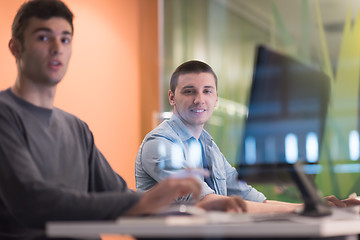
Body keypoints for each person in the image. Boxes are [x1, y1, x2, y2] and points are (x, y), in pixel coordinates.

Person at [0, 1, 247, 240]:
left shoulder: (76, 129)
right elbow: (32, 201)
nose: (57, 48)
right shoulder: (5, 115)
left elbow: (120, 199)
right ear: (16, 48)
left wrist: (190, 215)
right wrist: (144, 201)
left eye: (65, 39)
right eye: (43, 37)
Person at [135, 60, 360, 212]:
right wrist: (303, 209)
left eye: (207, 91)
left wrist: (314, 205)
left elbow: (254, 199)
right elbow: (207, 201)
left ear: (216, 99)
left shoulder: (208, 146)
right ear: (172, 98)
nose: (199, 100)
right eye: (189, 91)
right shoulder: (160, 144)